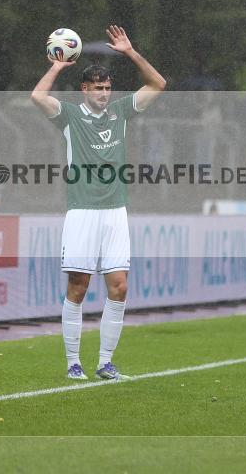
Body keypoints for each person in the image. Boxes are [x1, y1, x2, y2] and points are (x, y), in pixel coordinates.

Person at [31, 25, 166, 381]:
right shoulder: (70, 117)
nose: (105, 94)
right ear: (85, 90)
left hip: (115, 212)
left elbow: (158, 85)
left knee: (119, 286)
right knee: (78, 287)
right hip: (82, 211)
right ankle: (73, 362)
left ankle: (105, 362)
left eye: (108, 88)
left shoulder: (121, 112)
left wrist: (131, 53)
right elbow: (37, 96)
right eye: (98, 89)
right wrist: (58, 66)